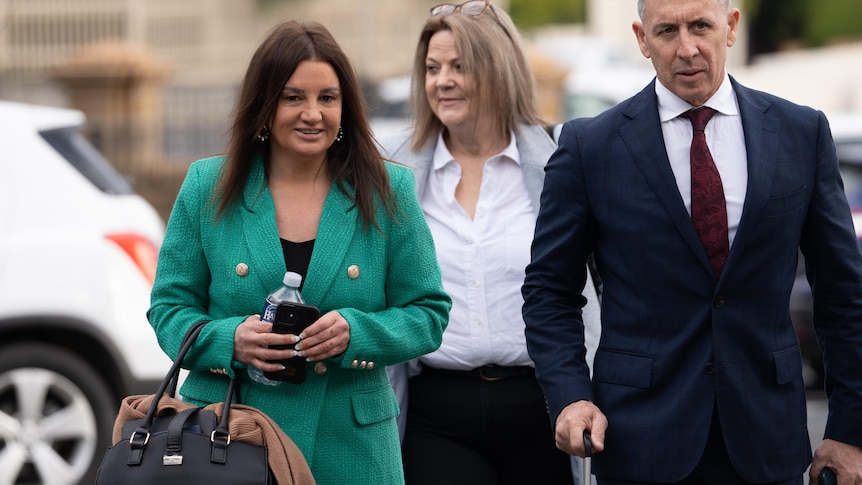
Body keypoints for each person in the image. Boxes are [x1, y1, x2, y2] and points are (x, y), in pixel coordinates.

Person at [521, 0, 862, 483]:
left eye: (700, 26)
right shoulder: (588, 146)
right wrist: (571, 396)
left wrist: (850, 430)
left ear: (731, 27)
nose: (686, 48)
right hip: (639, 440)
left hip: (768, 440)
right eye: (666, 31)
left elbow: (844, 294)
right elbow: (549, 292)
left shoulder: (801, 133)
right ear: (641, 39)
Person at [147, 20, 451, 484]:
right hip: (229, 439)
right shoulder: (207, 186)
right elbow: (168, 309)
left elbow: (429, 314)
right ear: (264, 107)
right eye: (293, 97)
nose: (313, 113)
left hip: (351, 448)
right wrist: (231, 341)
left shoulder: (390, 189)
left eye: (327, 98)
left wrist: (358, 333)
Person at [379, 2, 601, 484]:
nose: (442, 81)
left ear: (497, 68)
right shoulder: (390, 168)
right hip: (436, 413)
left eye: (460, 66)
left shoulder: (562, 157)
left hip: (544, 407)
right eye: (433, 68)